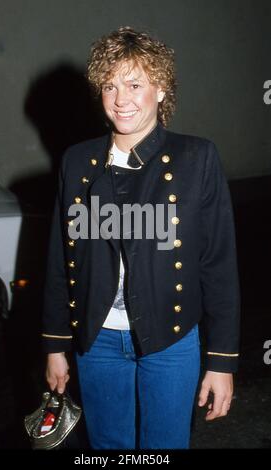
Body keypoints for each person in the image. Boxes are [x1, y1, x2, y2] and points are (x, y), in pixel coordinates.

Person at [42, 26, 240, 449]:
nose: (120, 99)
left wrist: (221, 361)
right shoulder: (78, 160)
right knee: (108, 448)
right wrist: (56, 344)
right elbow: (63, 258)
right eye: (110, 86)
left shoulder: (196, 157)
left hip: (170, 340)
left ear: (162, 89)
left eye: (135, 84)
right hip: (96, 341)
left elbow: (218, 264)